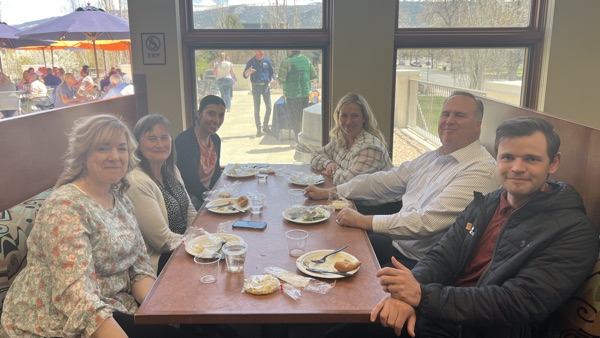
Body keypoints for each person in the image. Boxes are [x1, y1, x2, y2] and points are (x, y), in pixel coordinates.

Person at [349, 117, 600, 338]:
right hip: (439, 311)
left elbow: (520, 304)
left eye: (531, 159)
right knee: (337, 326)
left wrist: (422, 297)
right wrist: (408, 293)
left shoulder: (573, 232)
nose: (517, 168)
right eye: (508, 157)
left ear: (553, 163)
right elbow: (443, 255)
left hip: (481, 329)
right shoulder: (487, 202)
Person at [0, 114, 198, 337]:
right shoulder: (65, 207)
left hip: (112, 304)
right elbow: (76, 296)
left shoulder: (120, 199)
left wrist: (164, 314)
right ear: (83, 155)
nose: (115, 156)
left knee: (203, 326)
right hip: (55, 319)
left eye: (121, 148)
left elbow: (139, 269)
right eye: (103, 148)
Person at [304, 91, 499, 269]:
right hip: (398, 245)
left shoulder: (480, 170)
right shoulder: (432, 157)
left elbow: (426, 222)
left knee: (341, 281)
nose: (449, 120)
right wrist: (331, 192)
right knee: (327, 245)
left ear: (478, 126)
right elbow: (384, 181)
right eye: (445, 114)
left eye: (460, 115)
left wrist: (363, 220)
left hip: (421, 265)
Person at [128, 115, 197, 274]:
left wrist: (204, 235)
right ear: (137, 144)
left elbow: (190, 211)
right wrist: (200, 245)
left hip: (184, 246)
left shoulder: (171, 169)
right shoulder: (137, 181)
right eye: (151, 139)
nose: (159, 144)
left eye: (164, 138)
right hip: (160, 260)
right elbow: (163, 241)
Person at [311, 92, 392, 185]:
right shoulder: (341, 138)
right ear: (338, 117)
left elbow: (350, 183)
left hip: (375, 199)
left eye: (355, 116)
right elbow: (315, 156)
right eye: (344, 116)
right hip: (349, 196)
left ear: (364, 118)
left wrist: (334, 171)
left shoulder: (370, 147)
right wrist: (329, 164)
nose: (349, 122)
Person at [175, 95, 226, 210]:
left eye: (221, 115)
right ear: (199, 114)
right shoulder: (185, 141)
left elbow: (216, 174)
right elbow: (190, 182)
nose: (216, 120)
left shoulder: (215, 139)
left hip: (207, 197)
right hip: (189, 200)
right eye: (211, 114)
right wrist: (216, 201)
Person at [277, 50, 318, 138]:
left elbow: (281, 79)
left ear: (289, 50)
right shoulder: (306, 59)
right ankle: (304, 139)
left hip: (292, 95)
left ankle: (298, 140)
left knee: (295, 119)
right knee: (303, 118)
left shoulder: (286, 61)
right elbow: (314, 75)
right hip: (305, 94)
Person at [242, 50, 275, 137]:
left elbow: (271, 73)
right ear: (255, 52)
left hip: (265, 86)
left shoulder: (267, 61)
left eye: (262, 50)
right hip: (255, 87)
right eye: (259, 50)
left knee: (269, 107)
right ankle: (258, 128)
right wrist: (248, 72)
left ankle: (265, 125)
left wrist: (272, 79)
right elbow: (244, 75)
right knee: (257, 109)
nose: (262, 52)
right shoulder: (251, 62)